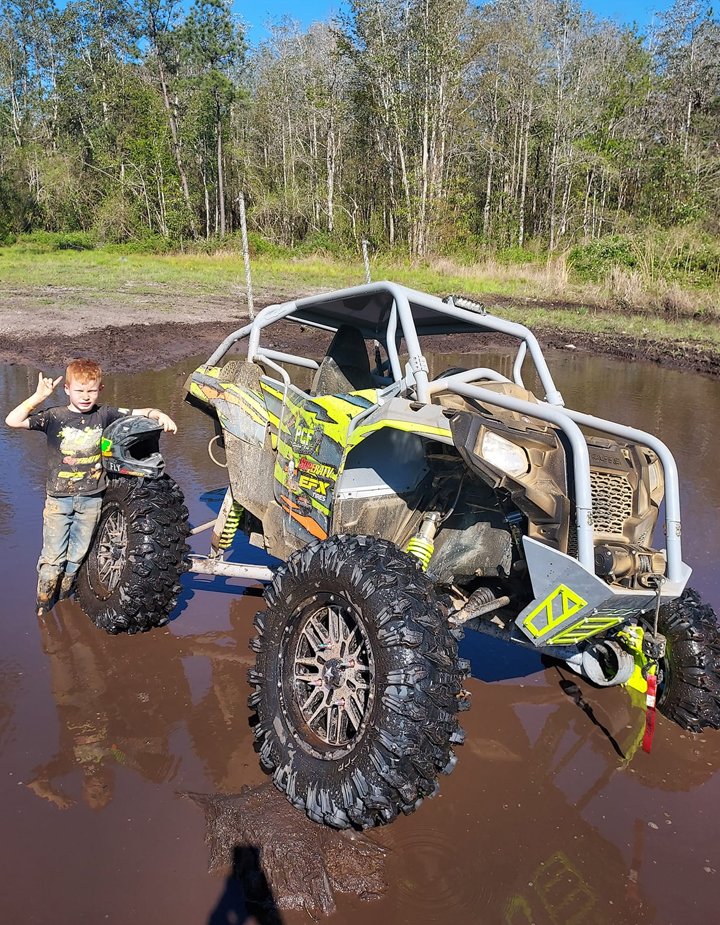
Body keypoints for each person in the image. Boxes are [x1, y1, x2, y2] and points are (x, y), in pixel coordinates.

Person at [5, 358, 177, 614]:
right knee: (53, 558)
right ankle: (43, 604)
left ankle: (63, 597)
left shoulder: (105, 414)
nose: (85, 397)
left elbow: (138, 413)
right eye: (80, 391)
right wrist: (38, 397)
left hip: (92, 498)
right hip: (58, 498)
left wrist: (158, 415)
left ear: (100, 389)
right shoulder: (54, 416)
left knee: (78, 555)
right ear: (67, 390)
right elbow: (13, 421)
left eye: (91, 391)